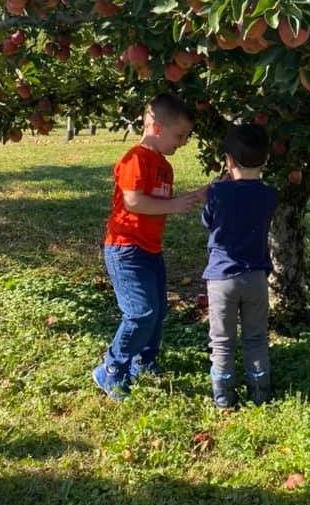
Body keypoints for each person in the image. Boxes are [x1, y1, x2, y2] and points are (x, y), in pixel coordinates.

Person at [93, 93, 206, 400]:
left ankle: (144, 362)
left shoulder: (164, 167)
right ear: (156, 128)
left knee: (157, 311)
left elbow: (161, 203)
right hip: (125, 249)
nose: (182, 142)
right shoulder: (135, 160)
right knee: (141, 313)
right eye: (179, 135)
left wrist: (197, 195)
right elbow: (133, 202)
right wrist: (174, 204)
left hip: (150, 249)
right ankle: (112, 368)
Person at [201, 123, 279, 408]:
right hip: (256, 277)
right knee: (256, 337)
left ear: (228, 160)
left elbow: (207, 222)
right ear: (267, 159)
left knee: (222, 341)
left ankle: (223, 397)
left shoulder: (217, 192)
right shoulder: (270, 195)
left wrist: (220, 185)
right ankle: (260, 392)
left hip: (221, 278)